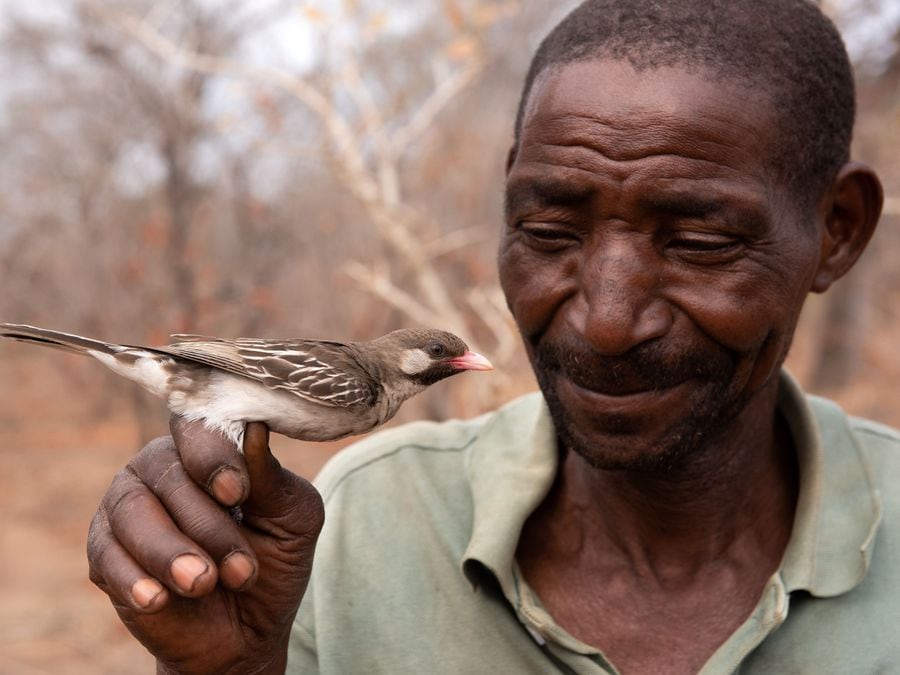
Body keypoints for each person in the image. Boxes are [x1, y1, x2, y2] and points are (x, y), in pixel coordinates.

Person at [86, 0, 899, 673]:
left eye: (700, 242)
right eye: (549, 229)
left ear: (838, 230)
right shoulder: (351, 522)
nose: (607, 323)